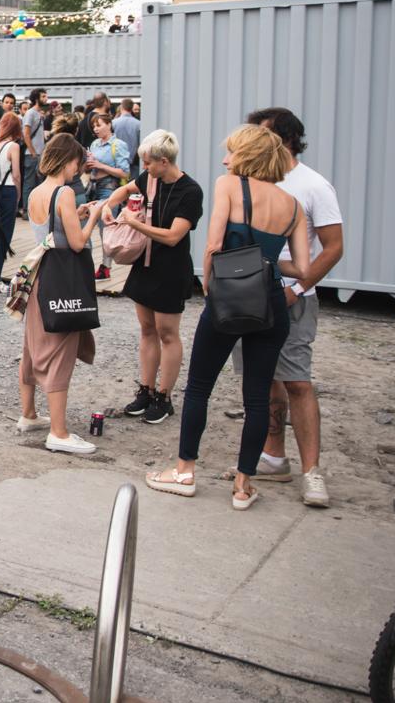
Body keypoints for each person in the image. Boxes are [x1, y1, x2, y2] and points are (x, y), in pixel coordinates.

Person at [146, 125, 311, 510]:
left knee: (200, 386)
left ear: (247, 157)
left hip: (227, 298)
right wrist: (265, 261)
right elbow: (302, 268)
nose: (225, 160)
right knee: (257, 397)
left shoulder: (230, 186)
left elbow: (215, 245)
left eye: (232, 153)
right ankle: (243, 485)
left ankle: (185, 471)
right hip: (269, 302)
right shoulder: (293, 206)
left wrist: (211, 288)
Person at [242, 107, 345, 508]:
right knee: (264, 379)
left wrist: (297, 289)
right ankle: (273, 457)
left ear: (283, 139)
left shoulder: (314, 185)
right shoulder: (249, 181)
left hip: (292, 298)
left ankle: (311, 473)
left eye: (260, 134)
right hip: (252, 296)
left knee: (297, 381)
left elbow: (333, 247)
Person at [103, 130, 204, 426]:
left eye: (148, 163)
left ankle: (164, 395)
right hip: (145, 265)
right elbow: (123, 190)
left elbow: (173, 237)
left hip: (171, 268)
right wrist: (110, 206)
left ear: (163, 161)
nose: (144, 169)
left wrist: (136, 223)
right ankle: (146, 390)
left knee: (167, 333)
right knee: (147, 329)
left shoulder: (190, 191)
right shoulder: (150, 179)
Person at [19, 134, 105, 455]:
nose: (78, 171)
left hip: (39, 275)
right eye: (77, 164)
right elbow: (78, 243)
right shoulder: (65, 191)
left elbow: (54, 231)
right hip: (62, 280)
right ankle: (59, 432)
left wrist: (77, 213)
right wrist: (93, 216)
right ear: (69, 160)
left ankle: (28, 414)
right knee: (59, 349)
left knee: (32, 346)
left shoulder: (36, 192)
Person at [85, 112, 132, 280]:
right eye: (94, 126)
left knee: (106, 228)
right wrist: (88, 164)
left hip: (108, 188)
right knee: (91, 226)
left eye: (99, 125)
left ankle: (106, 266)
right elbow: (89, 167)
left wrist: (100, 165)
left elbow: (124, 172)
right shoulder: (95, 143)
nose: (96, 129)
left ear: (109, 125)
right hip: (92, 187)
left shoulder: (118, 144)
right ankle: (91, 264)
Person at [0, 112, 24, 293]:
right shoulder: (13, 146)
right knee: (4, 234)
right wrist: (18, 195)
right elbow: (16, 174)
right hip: (7, 190)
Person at [22, 88, 47, 208]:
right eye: (43, 96)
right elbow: (26, 134)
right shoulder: (30, 113)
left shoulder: (39, 114)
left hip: (39, 154)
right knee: (29, 183)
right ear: (37, 98)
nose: (46, 98)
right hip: (32, 155)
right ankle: (27, 209)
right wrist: (33, 152)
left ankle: (35, 209)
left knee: (39, 183)